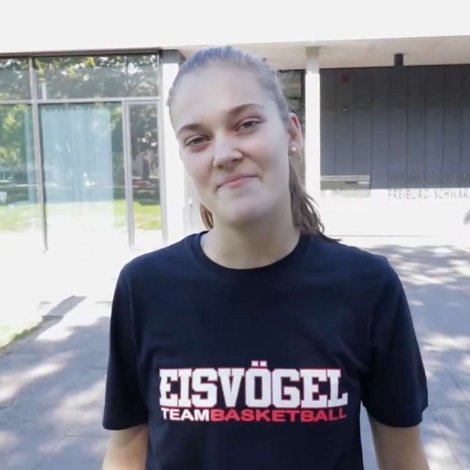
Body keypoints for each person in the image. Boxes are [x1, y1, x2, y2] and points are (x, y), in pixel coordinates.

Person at [101, 46, 429, 470]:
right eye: (197, 139)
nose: (224, 154)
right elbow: (126, 451)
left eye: (246, 124)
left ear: (292, 133)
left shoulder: (367, 286)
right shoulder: (144, 287)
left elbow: (404, 459)